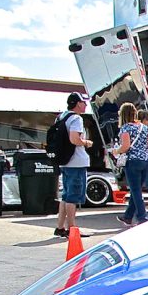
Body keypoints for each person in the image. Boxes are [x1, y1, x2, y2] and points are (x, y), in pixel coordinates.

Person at [54, 92, 93, 238]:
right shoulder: (76, 118)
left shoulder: (61, 116)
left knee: (65, 195)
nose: (85, 105)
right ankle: (72, 229)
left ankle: (60, 227)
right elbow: (74, 139)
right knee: (73, 197)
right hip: (76, 162)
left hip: (64, 161)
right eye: (83, 102)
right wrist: (86, 142)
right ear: (78, 103)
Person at [113, 102, 148, 226]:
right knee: (136, 190)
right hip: (146, 160)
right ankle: (128, 216)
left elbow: (126, 146)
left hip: (133, 161)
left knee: (135, 190)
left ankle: (142, 217)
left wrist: (116, 151)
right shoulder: (145, 128)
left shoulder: (126, 128)